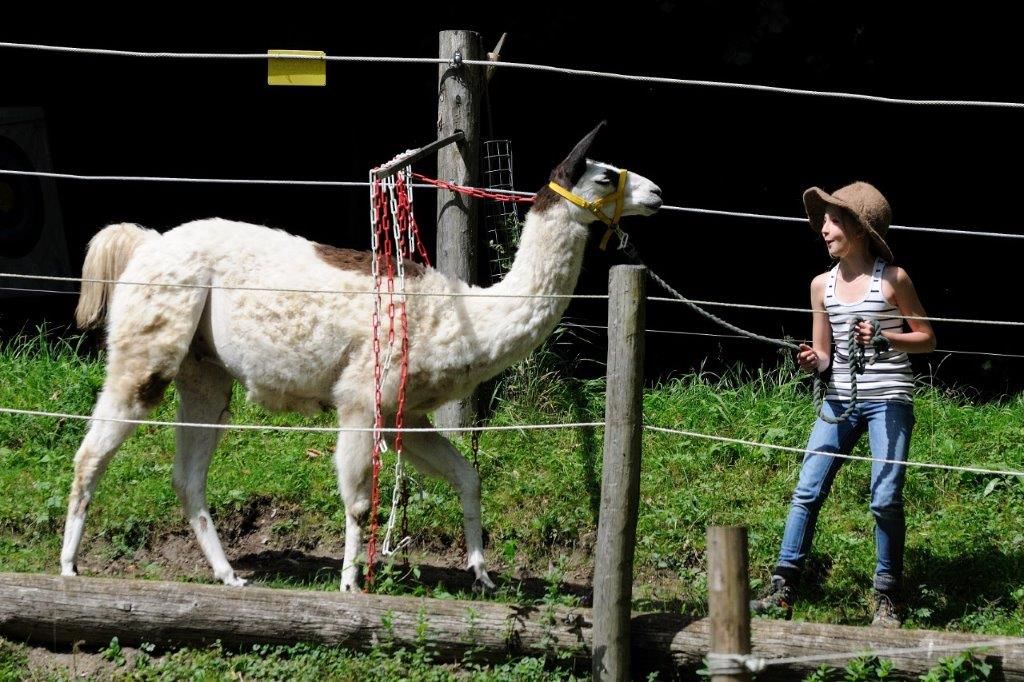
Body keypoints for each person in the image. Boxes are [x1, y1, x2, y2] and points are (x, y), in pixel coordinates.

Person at [750, 182, 936, 628]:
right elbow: (825, 356)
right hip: (841, 399)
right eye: (824, 222)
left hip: (889, 399)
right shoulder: (821, 285)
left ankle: (887, 596)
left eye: (833, 221)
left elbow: (927, 339)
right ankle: (783, 587)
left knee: (885, 497)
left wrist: (886, 336)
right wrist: (813, 360)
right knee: (806, 490)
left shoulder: (893, 279)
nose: (823, 230)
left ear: (858, 228)